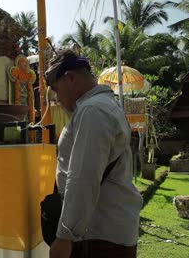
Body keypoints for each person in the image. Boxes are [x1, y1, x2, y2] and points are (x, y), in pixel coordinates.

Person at [44, 49, 143, 258]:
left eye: (55, 89)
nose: (57, 99)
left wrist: (64, 237)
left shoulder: (92, 111)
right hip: (104, 231)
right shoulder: (99, 106)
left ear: (70, 78)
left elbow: (83, 179)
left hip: (100, 236)